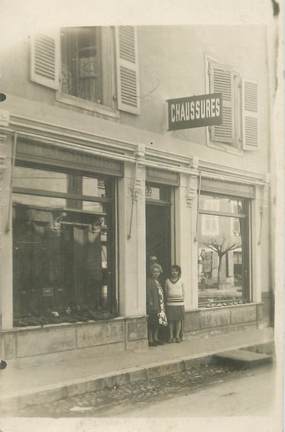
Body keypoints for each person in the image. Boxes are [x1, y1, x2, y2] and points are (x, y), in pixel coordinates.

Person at [146, 263, 168, 346]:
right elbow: (148, 294)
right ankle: (151, 340)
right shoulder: (149, 281)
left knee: (158, 322)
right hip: (153, 305)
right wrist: (151, 303)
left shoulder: (158, 281)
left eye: (158, 272)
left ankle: (156, 338)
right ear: (151, 272)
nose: (156, 273)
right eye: (154, 272)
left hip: (160, 305)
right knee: (152, 323)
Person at [165, 265, 185, 343]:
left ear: (178, 272)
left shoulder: (181, 280)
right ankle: (171, 336)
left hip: (179, 303)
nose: (174, 272)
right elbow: (166, 291)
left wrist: (182, 299)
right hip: (170, 303)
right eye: (173, 271)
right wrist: (169, 298)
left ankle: (177, 336)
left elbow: (183, 291)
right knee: (171, 320)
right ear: (170, 272)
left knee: (178, 320)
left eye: (176, 271)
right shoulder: (167, 281)